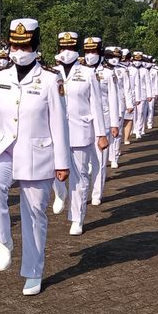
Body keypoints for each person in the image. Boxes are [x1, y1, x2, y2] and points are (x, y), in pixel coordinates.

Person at [0, 18, 71, 296]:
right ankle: (4, 240)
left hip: (37, 153)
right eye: (14, 45)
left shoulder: (50, 79)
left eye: (25, 45)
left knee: (33, 214)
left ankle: (33, 271)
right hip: (4, 148)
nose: (19, 50)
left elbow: (59, 122)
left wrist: (62, 163)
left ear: (35, 46)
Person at [51, 32, 108, 235]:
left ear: (77, 50)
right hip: (55, 132)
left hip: (80, 129)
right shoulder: (51, 73)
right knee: (50, 170)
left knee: (80, 176)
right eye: (63, 48)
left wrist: (101, 133)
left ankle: (77, 217)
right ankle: (60, 191)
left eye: (71, 48)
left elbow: (96, 104)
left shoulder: (87, 73)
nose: (66, 52)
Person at [84, 36, 120, 205]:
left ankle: (97, 193)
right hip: (84, 123)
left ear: (99, 52)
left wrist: (114, 123)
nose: (90, 54)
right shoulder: (80, 72)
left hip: (104, 121)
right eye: (87, 51)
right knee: (83, 163)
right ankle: (83, 193)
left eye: (93, 51)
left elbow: (113, 98)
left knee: (99, 161)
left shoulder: (107, 73)